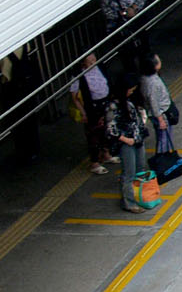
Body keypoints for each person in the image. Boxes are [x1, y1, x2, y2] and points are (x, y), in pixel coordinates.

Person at [106, 71, 150, 212]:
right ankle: (129, 203)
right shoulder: (113, 106)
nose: (132, 91)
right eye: (130, 89)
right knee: (129, 173)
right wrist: (126, 140)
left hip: (138, 139)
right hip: (127, 143)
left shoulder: (131, 100)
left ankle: (139, 196)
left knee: (140, 168)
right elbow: (111, 129)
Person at [70, 53, 112, 173]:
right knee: (93, 134)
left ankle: (106, 153)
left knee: (107, 130)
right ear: (83, 63)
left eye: (94, 59)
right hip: (91, 107)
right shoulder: (78, 75)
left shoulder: (100, 67)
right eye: (90, 61)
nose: (93, 63)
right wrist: (83, 112)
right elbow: (75, 97)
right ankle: (94, 162)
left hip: (105, 104)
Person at [140, 54, 173, 156]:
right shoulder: (152, 83)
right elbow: (154, 103)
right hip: (161, 114)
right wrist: (161, 120)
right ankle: (162, 159)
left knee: (163, 137)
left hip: (160, 112)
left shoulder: (146, 78)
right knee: (163, 138)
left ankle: (164, 155)